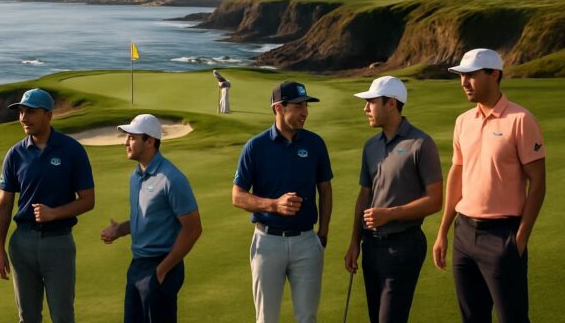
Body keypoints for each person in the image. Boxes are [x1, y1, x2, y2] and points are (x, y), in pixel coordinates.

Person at [433, 48, 546, 322]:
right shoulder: (463, 122)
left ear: (494, 75)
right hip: (464, 233)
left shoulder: (520, 120)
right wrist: (443, 231)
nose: (464, 83)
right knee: (472, 317)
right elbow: (457, 176)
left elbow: (538, 182)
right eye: (461, 76)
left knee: (513, 318)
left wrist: (520, 240)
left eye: (471, 76)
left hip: (502, 235)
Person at [232, 81, 333, 323]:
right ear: (279, 107)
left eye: (306, 105)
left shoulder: (315, 143)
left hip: (306, 242)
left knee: (307, 317)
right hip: (267, 243)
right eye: (299, 106)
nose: (305, 112)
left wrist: (323, 233)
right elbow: (237, 196)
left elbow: (326, 190)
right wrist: (274, 205)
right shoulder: (256, 147)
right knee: (266, 319)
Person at [344, 76, 442, 323]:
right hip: (371, 247)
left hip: (404, 246)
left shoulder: (420, 143)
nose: (365, 108)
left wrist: (390, 214)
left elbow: (434, 200)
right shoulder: (370, 146)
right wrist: (354, 242)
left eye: (371, 102)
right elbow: (364, 195)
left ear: (391, 104)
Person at [0, 88, 95, 323]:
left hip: (58, 243)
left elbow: (88, 200)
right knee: (27, 317)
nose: (23, 118)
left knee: (62, 316)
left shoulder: (72, 150)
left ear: (48, 115)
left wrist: (54, 214)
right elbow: (4, 203)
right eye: (21, 112)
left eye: (30, 112)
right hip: (22, 243)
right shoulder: (15, 154)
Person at [100, 114, 202, 323]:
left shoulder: (171, 178)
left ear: (149, 141)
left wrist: (162, 271)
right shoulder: (135, 177)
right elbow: (148, 219)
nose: (126, 142)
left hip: (161, 265)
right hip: (137, 265)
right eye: (127, 137)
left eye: (132, 138)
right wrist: (120, 230)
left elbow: (193, 229)